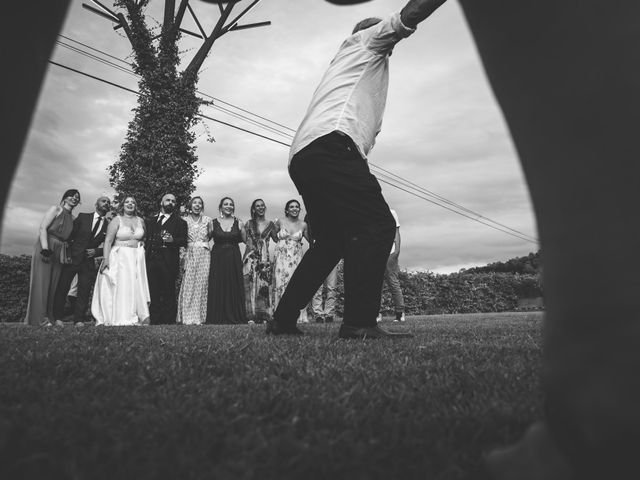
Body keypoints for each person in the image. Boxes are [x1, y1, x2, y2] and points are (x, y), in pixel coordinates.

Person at [269, 1, 448, 338]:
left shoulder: (351, 68)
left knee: (331, 242)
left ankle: (283, 319)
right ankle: (359, 323)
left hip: (307, 156)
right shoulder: (366, 41)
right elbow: (406, 18)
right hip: (331, 147)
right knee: (378, 225)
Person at [24, 189, 80, 326]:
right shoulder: (55, 209)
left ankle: (49, 317)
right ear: (65, 197)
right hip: (47, 245)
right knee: (42, 282)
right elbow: (43, 228)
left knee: (53, 284)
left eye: (77, 197)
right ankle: (39, 319)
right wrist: (45, 248)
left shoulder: (73, 218)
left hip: (61, 250)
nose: (74, 198)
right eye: (72, 196)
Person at [52, 196, 111, 326]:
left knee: (84, 291)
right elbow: (71, 235)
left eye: (108, 202)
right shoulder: (83, 216)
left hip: (88, 262)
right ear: (96, 204)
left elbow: (109, 244)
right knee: (63, 288)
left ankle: (79, 319)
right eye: (103, 201)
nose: (106, 203)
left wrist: (97, 252)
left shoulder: (108, 225)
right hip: (73, 258)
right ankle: (58, 317)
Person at [91, 196, 150, 326]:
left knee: (134, 286)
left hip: (136, 258)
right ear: (122, 205)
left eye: (133, 202)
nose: (130, 204)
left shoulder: (141, 221)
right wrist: (106, 259)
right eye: (127, 202)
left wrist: (141, 249)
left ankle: (136, 314)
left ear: (136, 206)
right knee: (120, 285)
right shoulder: (116, 220)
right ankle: (117, 315)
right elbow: (108, 241)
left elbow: (143, 238)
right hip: (120, 257)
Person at [145, 193, 188, 325]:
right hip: (151, 260)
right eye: (168, 200)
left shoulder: (181, 222)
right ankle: (155, 319)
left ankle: (168, 320)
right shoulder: (150, 221)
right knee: (153, 291)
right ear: (161, 203)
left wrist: (172, 240)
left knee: (169, 291)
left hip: (168, 261)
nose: (171, 203)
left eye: (173, 201)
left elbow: (184, 240)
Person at [206, 197, 246, 324]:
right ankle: (217, 316)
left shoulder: (239, 223)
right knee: (218, 284)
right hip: (218, 257)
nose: (228, 206)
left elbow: (247, 241)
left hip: (234, 256)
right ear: (221, 207)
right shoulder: (212, 223)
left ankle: (235, 315)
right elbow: (204, 240)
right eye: (226, 204)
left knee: (234, 285)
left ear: (233, 207)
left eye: (231, 204)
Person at [272, 200, 311, 325]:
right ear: (287, 210)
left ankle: (299, 316)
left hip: (296, 256)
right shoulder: (280, 221)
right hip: (281, 256)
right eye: (291, 207)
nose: (294, 209)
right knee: (279, 284)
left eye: (297, 207)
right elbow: (273, 236)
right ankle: (279, 314)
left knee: (296, 283)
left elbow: (311, 240)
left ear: (299, 209)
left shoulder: (304, 225)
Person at [176, 196, 212, 325]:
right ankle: (186, 317)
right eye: (195, 203)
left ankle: (201, 317)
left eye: (200, 203)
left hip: (204, 254)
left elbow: (211, 234)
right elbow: (181, 240)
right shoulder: (184, 220)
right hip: (190, 253)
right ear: (190, 206)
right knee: (189, 284)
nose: (197, 205)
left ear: (202, 206)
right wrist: (182, 257)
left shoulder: (208, 220)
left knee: (202, 284)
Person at [242, 199, 277, 325]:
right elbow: (245, 240)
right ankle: (250, 316)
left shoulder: (271, 224)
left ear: (265, 207)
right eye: (258, 206)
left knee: (263, 287)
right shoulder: (248, 223)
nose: (260, 208)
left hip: (264, 260)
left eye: (262, 205)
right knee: (250, 287)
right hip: (251, 257)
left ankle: (263, 315)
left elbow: (277, 239)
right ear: (253, 209)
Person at [306, 214, 339, 324]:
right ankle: (318, 314)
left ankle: (329, 313)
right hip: (317, 252)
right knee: (317, 286)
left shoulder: (335, 214)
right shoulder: (310, 215)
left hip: (332, 252)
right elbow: (308, 234)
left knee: (332, 286)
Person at [376, 208, 404, 323]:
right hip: (376, 253)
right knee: (376, 285)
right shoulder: (370, 212)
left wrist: (396, 251)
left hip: (390, 252)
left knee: (393, 282)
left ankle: (400, 313)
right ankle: (376, 313)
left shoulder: (391, 212)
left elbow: (396, 233)